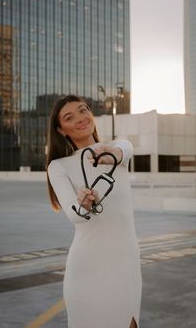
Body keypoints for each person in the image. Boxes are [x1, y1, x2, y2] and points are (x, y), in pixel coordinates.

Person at [46, 94, 142, 328]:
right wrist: (84, 204)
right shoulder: (58, 167)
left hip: (125, 263)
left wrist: (114, 154)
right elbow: (73, 214)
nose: (80, 118)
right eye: (70, 117)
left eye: (83, 110)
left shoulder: (116, 152)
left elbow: (125, 147)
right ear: (61, 130)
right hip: (86, 267)